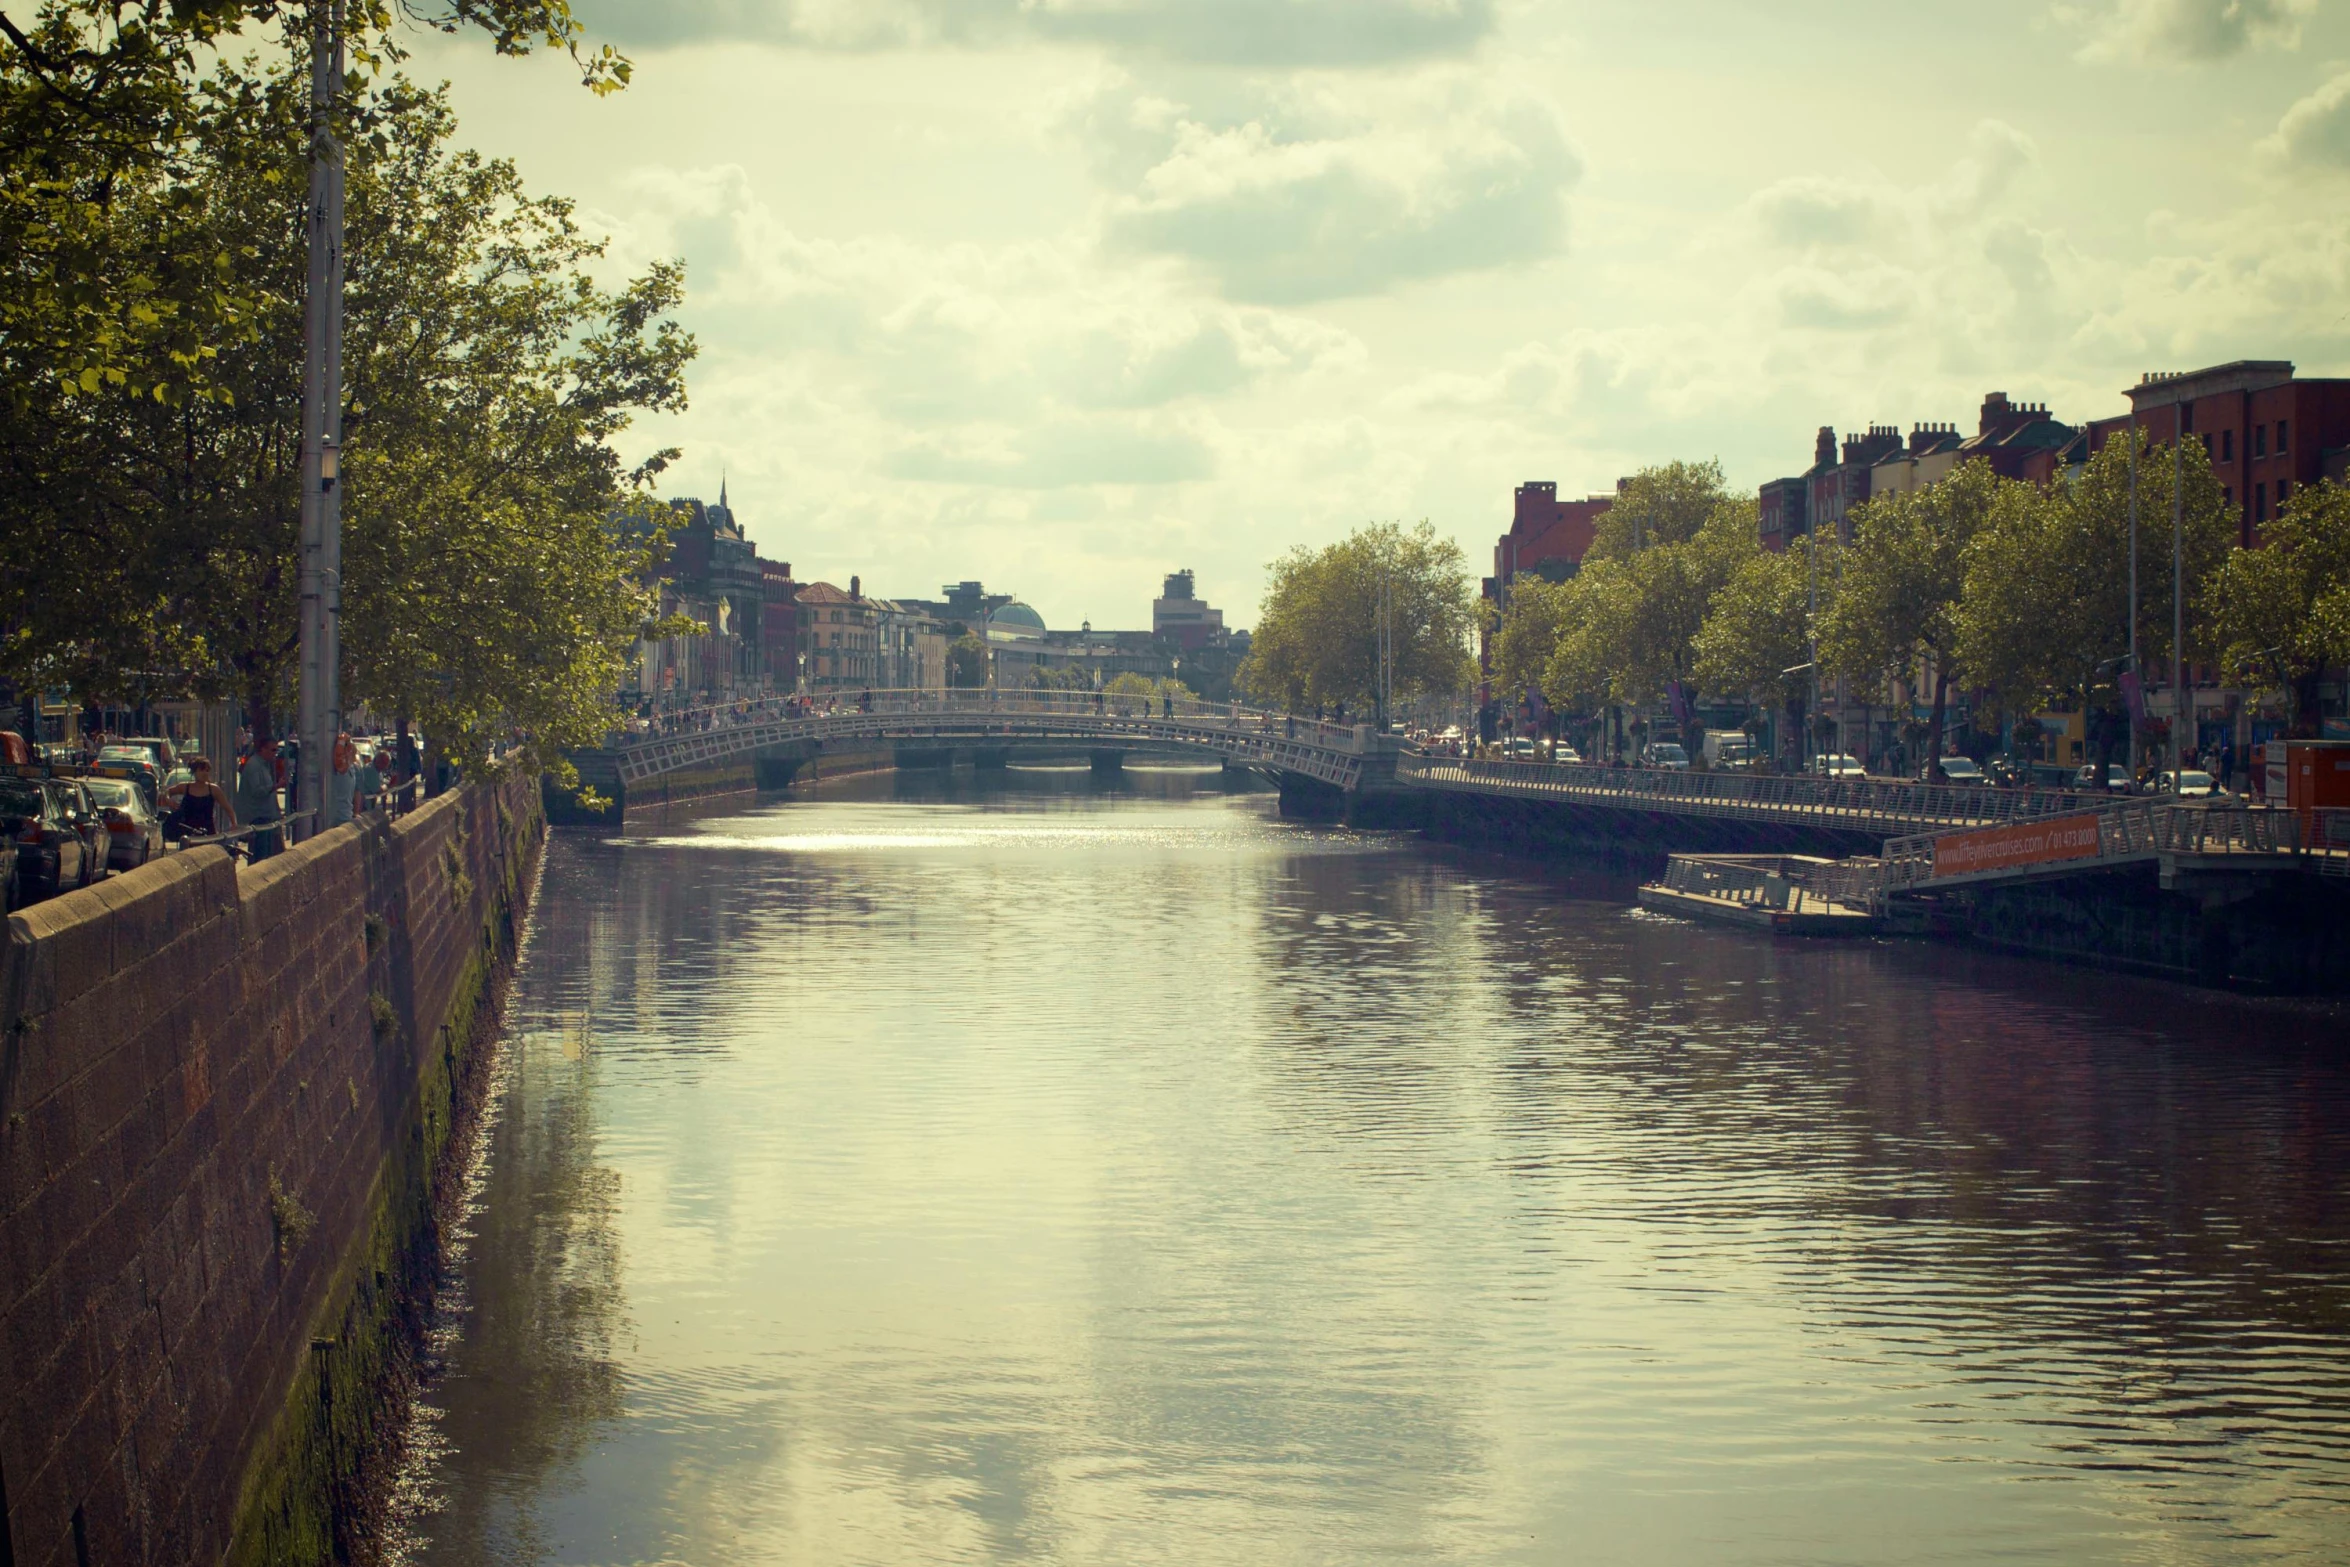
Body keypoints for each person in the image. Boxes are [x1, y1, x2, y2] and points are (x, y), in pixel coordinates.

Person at [162, 757, 237, 842]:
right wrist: (169, 800)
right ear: (194, 771)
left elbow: (228, 808)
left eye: (207, 770)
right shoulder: (186, 787)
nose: (205, 773)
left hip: (208, 833)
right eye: (201, 770)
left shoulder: (213, 789)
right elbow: (167, 792)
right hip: (188, 834)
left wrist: (234, 824)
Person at [237, 737, 284, 860]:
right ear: (263, 750)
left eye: (276, 750)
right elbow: (257, 791)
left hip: (266, 817)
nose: (275, 753)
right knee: (260, 855)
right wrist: (276, 786)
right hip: (258, 818)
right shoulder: (254, 766)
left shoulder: (263, 765)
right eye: (273, 750)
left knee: (267, 854)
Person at [328, 733, 358, 827]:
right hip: (343, 816)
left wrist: (342, 741)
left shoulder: (346, 768)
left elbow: (338, 755)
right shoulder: (349, 768)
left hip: (340, 818)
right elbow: (339, 755)